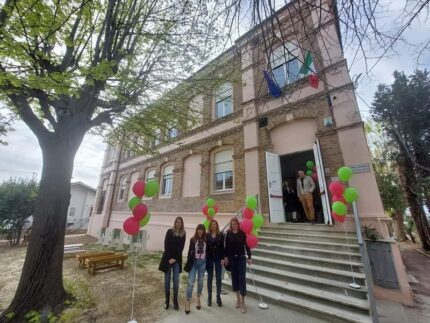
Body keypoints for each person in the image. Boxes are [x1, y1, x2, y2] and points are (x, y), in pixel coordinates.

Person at [224, 217, 252, 313]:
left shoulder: (242, 233)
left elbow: (247, 245)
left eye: (235, 223)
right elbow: (226, 246)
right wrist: (226, 257)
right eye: (232, 224)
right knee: (234, 279)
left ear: (238, 224)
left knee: (242, 279)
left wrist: (249, 257)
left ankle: (243, 302)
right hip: (232, 259)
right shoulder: (228, 233)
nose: (233, 225)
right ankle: (238, 299)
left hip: (241, 258)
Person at [158, 217, 186, 311]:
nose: (179, 224)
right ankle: (167, 300)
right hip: (167, 259)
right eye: (177, 222)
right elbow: (166, 245)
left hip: (177, 260)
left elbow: (181, 248)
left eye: (180, 222)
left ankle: (175, 300)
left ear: (182, 224)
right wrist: (170, 258)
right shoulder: (169, 231)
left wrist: (174, 259)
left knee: (176, 280)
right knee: (167, 280)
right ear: (175, 223)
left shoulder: (183, 234)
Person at [184, 224, 207, 315]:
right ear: (197, 230)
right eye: (199, 229)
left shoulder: (206, 240)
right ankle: (188, 301)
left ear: (204, 231)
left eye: (202, 229)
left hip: (202, 263)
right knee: (190, 282)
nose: (200, 231)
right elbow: (190, 252)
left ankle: (198, 298)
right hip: (194, 262)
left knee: (200, 282)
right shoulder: (192, 240)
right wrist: (189, 261)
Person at [206, 219, 224, 307]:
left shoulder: (221, 235)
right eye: (212, 224)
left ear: (217, 226)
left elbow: (222, 248)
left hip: (218, 258)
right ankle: (209, 297)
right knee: (210, 278)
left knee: (218, 277)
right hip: (209, 259)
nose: (214, 225)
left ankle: (218, 297)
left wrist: (222, 258)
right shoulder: (207, 235)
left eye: (215, 224)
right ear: (210, 226)